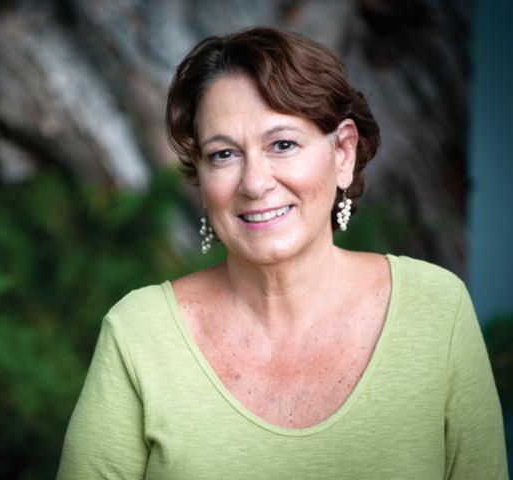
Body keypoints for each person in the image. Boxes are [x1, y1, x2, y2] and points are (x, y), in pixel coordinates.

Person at [56, 27, 507, 479]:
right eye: (224, 154)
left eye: (283, 145)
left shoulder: (437, 310)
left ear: (343, 153)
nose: (254, 183)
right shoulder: (139, 335)